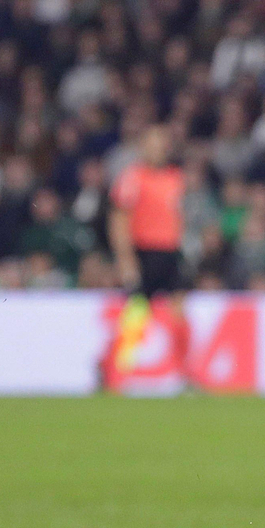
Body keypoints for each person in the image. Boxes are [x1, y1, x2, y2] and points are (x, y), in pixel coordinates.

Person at [105, 124, 190, 390]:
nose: (157, 149)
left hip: (170, 252)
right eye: (152, 144)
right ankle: (117, 371)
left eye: (161, 144)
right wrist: (125, 259)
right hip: (144, 252)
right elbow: (119, 219)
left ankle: (182, 372)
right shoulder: (133, 177)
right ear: (143, 147)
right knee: (136, 315)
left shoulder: (176, 178)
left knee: (178, 313)